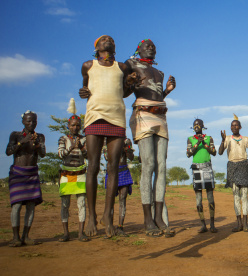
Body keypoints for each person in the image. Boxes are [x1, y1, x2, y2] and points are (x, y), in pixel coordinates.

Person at [79, 35, 139, 238]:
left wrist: (130, 83)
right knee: (93, 166)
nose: (109, 40)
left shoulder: (121, 67)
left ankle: (108, 216)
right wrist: (83, 91)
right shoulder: (88, 65)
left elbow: (123, 93)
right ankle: (91, 217)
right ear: (96, 47)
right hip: (95, 116)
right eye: (104, 39)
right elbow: (86, 87)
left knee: (113, 167)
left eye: (111, 39)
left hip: (116, 118)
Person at [125, 39, 176, 237]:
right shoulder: (131, 64)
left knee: (161, 166)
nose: (152, 47)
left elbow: (157, 96)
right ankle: (148, 218)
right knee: (148, 165)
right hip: (142, 114)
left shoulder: (160, 73)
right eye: (147, 45)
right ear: (138, 49)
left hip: (161, 115)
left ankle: (158, 217)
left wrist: (167, 92)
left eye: (154, 45)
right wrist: (129, 82)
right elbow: (124, 91)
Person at [6, 111, 46, 247]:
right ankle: (15, 237)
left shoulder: (39, 137)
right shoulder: (16, 135)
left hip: (32, 173)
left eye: (34, 121)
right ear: (23, 121)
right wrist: (21, 142)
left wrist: (37, 146)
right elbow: (8, 151)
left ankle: (26, 236)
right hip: (18, 173)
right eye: (29, 121)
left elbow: (43, 154)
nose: (31, 124)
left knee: (30, 206)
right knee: (16, 205)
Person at [57, 101, 88, 242]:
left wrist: (80, 147)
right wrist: (71, 148)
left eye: (77, 125)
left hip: (81, 173)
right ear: (68, 126)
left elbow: (88, 155)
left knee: (81, 203)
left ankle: (81, 233)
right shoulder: (63, 139)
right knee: (65, 204)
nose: (75, 127)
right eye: (73, 125)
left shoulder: (84, 139)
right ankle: (66, 233)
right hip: (66, 174)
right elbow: (61, 154)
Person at [219, 116, 248, 232]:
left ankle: (245, 224)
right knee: (236, 197)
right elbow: (220, 152)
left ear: (240, 127)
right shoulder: (227, 138)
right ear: (230, 127)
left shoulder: (245, 139)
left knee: (244, 196)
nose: (234, 127)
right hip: (232, 166)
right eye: (232, 125)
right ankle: (238, 224)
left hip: (243, 166)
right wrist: (222, 140)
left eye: (236, 125)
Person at [187, 119, 217, 233]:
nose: (196, 126)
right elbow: (189, 153)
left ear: (203, 126)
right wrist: (197, 143)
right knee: (198, 199)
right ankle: (203, 224)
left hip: (207, 167)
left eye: (198, 124)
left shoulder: (209, 138)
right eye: (194, 124)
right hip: (196, 168)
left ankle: (212, 225)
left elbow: (213, 152)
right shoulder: (190, 139)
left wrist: (204, 143)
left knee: (210, 198)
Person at [104, 138, 134, 236]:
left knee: (123, 199)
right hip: (112, 172)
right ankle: (110, 227)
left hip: (124, 171)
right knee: (110, 200)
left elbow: (131, 157)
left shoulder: (127, 141)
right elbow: (107, 157)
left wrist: (127, 149)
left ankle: (120, 226)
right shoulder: (107, 140)